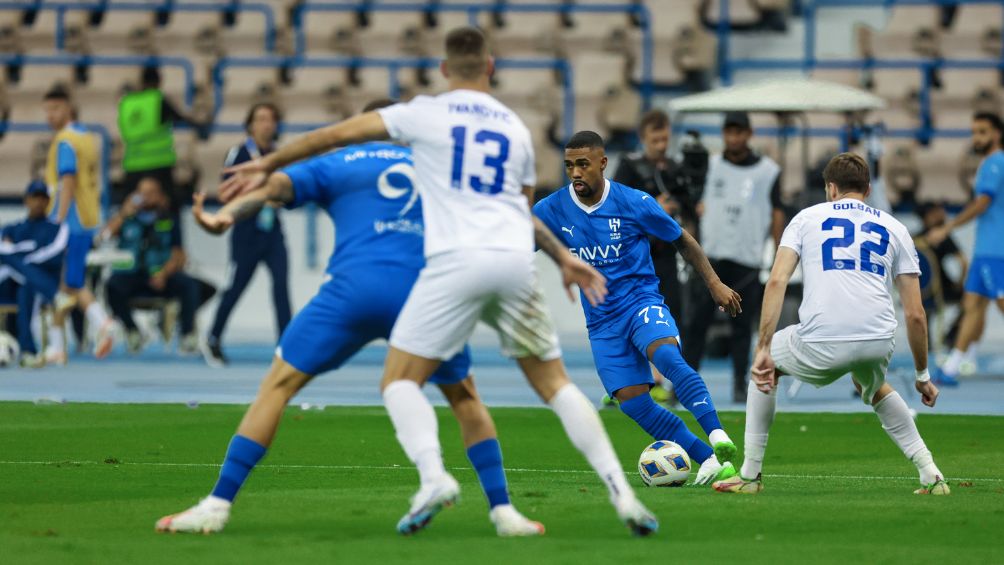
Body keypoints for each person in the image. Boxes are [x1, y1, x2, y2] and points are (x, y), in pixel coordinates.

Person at [220, 27, 659, 537]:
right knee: (555, 384)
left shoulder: (425, 113)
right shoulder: (515, 128)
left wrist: (270, 160)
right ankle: (622, 494)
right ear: (491, 67)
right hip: (514, 262)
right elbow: (519, 210)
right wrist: (562, 258)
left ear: (446, 69)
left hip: (456, 261)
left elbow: (338, 135)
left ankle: (433, 476)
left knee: (398, 380)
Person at [157, 109, 544, 537]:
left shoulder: (338, 161)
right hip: (423, 295)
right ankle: (504, 513)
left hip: (352, 291)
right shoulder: (439, 169)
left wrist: (227, 214)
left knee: (278, 386)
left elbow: (276, 187)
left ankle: (216, 505)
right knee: (465, 398)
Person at [713, 153, 949, 496]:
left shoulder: (806, 218)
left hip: (823, 339)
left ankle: (750, 475)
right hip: (878, 339)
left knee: (765, 369)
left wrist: (763, 348)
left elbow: (777, 281)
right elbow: (915, 314)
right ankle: (931, 473)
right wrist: (923, 376)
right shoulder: (897, 228)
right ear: (868, 190)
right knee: (874, 384)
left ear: (831, 189)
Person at [534, 131, 742, 485]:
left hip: (641, 302)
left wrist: (715, 283)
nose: (575, 173)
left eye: (583, 164)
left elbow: (683, 240)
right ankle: (706, 458)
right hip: (601, 322)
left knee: (667, 359)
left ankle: (718, 435)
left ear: (602, 163)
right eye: (569, 166)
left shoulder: (634, 202)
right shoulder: (550, 209)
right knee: (632, 402)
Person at [684, 111, 785, 403]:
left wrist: (778, 252)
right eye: (729, 132)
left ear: (749, 134)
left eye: (739, 132)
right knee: (695, 326)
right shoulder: (709, 166)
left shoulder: (768, 171)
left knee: (742, 329)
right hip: (710, 258)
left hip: (746, 258)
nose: (734, 138)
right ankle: (686, 384)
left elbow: (777, 212)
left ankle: (741, 386)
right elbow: (694, 205)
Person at [204, 103, 291, 367]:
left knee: (281, 288)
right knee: (236, 287)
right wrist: (258, 196)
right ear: (250, 125)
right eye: (261, 119)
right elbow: (226, 190)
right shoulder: (239, 153)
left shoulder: (278, 155)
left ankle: (286, 347)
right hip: (246, 231)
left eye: (271, 119)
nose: (266, 124)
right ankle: (213, 338)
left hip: (272, 231)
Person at [928, 112, 1004, 386]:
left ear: (996, 134)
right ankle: (953, 366)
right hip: (987, 249)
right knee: (973, 305)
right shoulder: (990, 163)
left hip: (997, 251)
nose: (977, 137)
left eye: (982, 132)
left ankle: (956, 363)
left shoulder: (995, 164)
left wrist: (947, 228)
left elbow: (982, 203)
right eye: (974, 132)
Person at [42, 86, 115, 364]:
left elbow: (67, 181)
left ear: (69, 108)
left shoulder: (66, 141)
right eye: (47, 110)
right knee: (61, 284)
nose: (50, 116)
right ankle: (58, 348)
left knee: (71, 282)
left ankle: (103, 323)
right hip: (87, 218)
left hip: (69, 221)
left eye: (55, 109)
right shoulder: (87, 138)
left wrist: (57, 220)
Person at [612, 110, 696, 320]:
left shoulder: (675, 169)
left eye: (665, 139)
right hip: (635, 256)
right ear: (642, 138)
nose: (661, 146)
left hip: (667, 255)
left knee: (672, 316)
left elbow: (689, 212)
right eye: (655, 140)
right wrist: (653, 209)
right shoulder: (628, 168)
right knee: (636, 318)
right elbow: (614, 212)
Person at [103, 176, 201, 354]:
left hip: (160, 275)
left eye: (150, 193)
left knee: (189, 285)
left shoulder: (169, 219)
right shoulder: (127, 217)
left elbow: (179, 254)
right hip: (132, 274)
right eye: (141, 193)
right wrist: (124, 213)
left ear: (160, 195)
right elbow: (105, 236)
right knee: (112, 286)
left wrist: (163, 274)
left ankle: (187, 335)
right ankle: (132, 331)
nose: (145, 197)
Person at [0, 180, 68, 366]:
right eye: (34, 198)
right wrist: (23, 253)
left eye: (42, 198)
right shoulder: (11, 228)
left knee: (26, 286)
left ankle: (28, 351)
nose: (38, 202)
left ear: (48, 201)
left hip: (35, 285)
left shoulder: (56, 229)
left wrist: (17, 253)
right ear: (26, 200)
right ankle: (55, 296)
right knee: (13, 265)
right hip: (9, 282)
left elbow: (53, 256)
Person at [117, 65, 205, 209]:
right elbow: (180, 118)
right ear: (159, 81)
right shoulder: (157, 99)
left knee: (130, 208)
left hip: (132, 164)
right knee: (167, 206)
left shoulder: (127, 103)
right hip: (158, 163)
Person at [914, 202, 969, 350]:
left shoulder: (913, 239)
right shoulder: (942, 237)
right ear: (928, 217)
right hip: (942, 291)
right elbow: (963, 263)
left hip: (918, 294)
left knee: (926, 307)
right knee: (972, 302)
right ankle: (950, 337)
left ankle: (927, 344)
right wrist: (960, 282)